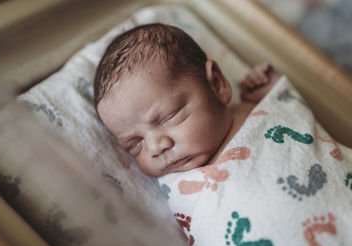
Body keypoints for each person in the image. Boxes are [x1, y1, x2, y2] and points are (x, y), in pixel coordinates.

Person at [94, 23, 280, 177]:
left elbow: (289, 113)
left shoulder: (249, 111)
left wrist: (270, 90)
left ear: (217, 84)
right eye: (135, 144)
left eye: (169, 116)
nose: (155, 147)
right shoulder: (178, 186)